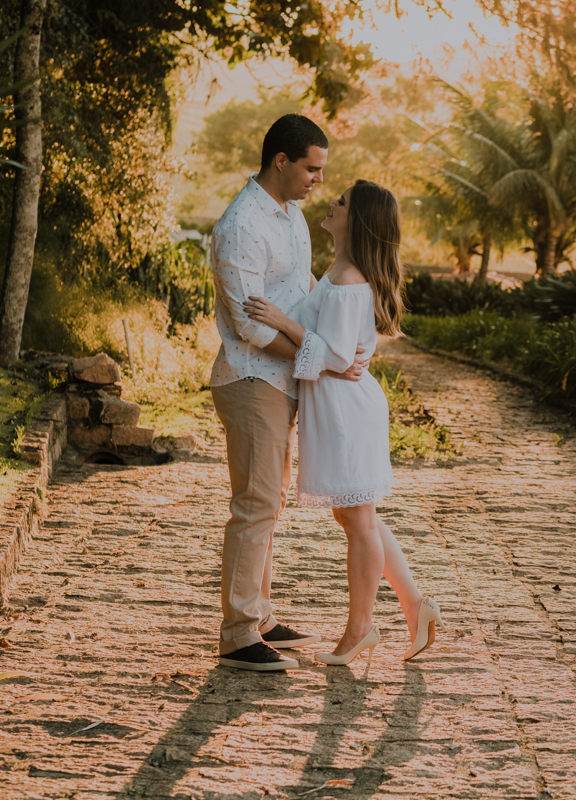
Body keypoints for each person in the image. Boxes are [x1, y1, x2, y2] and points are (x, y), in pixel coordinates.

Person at [245, 179, 444, 677]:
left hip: (346, 410)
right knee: (358, 518)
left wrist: (283, 322)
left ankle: (361, 628)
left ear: (357, 221)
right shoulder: (339, 273)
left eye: (342, 202)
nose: (331, 204)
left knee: (358, 521)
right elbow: (336, 347)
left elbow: (333, 355)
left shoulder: (350, 278)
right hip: (340, 406)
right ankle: (415, 606)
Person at [210, 114, 369, 672]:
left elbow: (301, 294)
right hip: (251, 377)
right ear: (281, 161)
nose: (318, 180)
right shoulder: (240, 226)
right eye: (311, 168)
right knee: (255, 504)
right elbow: (251, 327)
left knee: (269, 502)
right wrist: (320, 360)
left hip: (284, 379)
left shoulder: (294, 217)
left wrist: (335, 346)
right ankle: (238, 634)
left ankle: (260, 612)